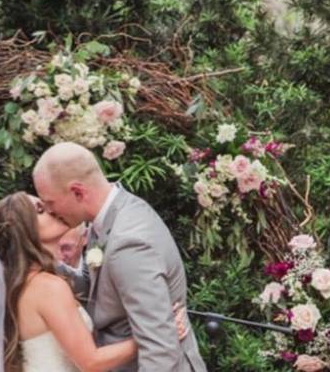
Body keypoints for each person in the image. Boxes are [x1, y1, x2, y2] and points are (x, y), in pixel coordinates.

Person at [0, 191, 189, 372]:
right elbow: (90, 361)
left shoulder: (23, 286)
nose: (52, 209)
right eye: (40, 210)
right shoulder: (47, 287)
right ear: (23, 229)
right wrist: (156, 334)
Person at [33, 142, 207, 372]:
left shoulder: (129, 242)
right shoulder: (110, 217)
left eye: (50, 203)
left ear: (78, 192)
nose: (52, 212)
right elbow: (105, 293)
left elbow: (160, 350)